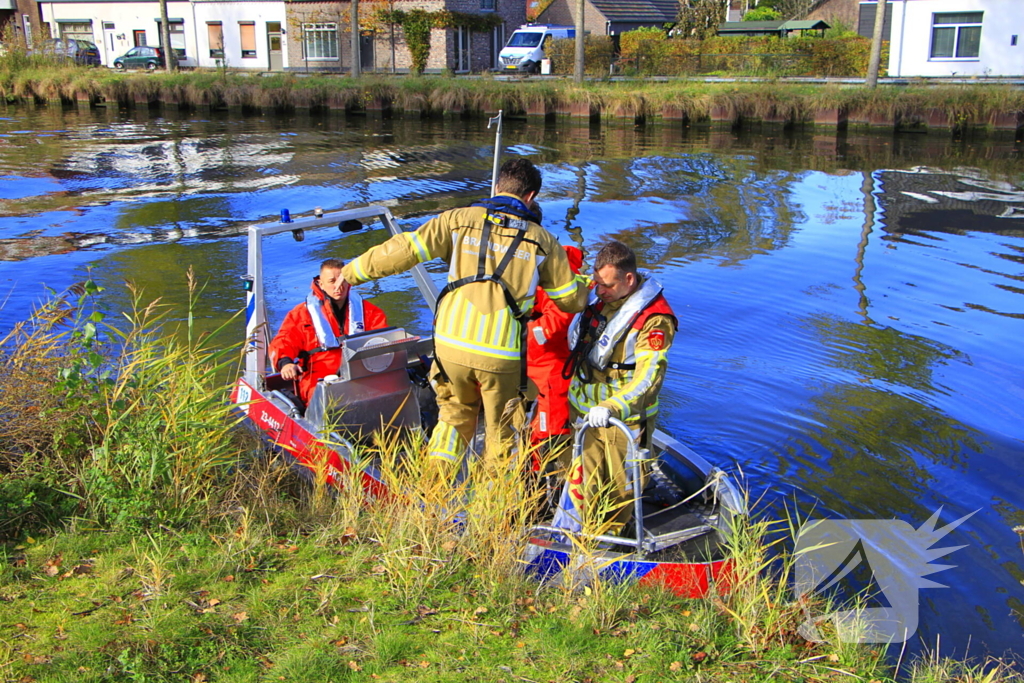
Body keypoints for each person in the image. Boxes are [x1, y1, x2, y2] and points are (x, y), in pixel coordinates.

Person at [340, 158, 587, 467]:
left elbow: (403, 250)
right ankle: (494, 509)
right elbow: (571, 301)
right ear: (531, 197)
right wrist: (583, 284)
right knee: (502, 433)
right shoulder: (542, 242)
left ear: (497, 186)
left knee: (453, 417)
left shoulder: (457, 220)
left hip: (451, 346)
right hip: (501, 355)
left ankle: (434, 492)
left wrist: (351, 272)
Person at [556, 240, 677, 536]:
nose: (599, 291)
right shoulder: (601, 296)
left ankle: (611, 544)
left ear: (629, 280)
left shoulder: (654, 321)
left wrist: (611, 408)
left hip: (622, 420)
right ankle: (575, 536)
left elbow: (649, 379)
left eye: (607, 285)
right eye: (597, 283)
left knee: (620, 491)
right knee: (580, 480)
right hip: (582, 415)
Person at [269, 258, 388, 406]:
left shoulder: (369, 312)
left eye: (342, 281)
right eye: (332, 281)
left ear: (349, 281)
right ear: (321, 284)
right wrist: (285, 363)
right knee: (327, 400)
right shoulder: (301, 314)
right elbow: (283, 342)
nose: (338, 287)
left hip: (361, 373)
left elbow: (384, 340)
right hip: (318, 378)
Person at [526, 243, 584, 454]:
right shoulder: (542, 268)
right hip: (537, 367)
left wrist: (518, 337)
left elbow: (556, 324)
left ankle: (547, 480)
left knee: (549, 429)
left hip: (551, 369)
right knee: (537, 425)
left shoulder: (561, 275)